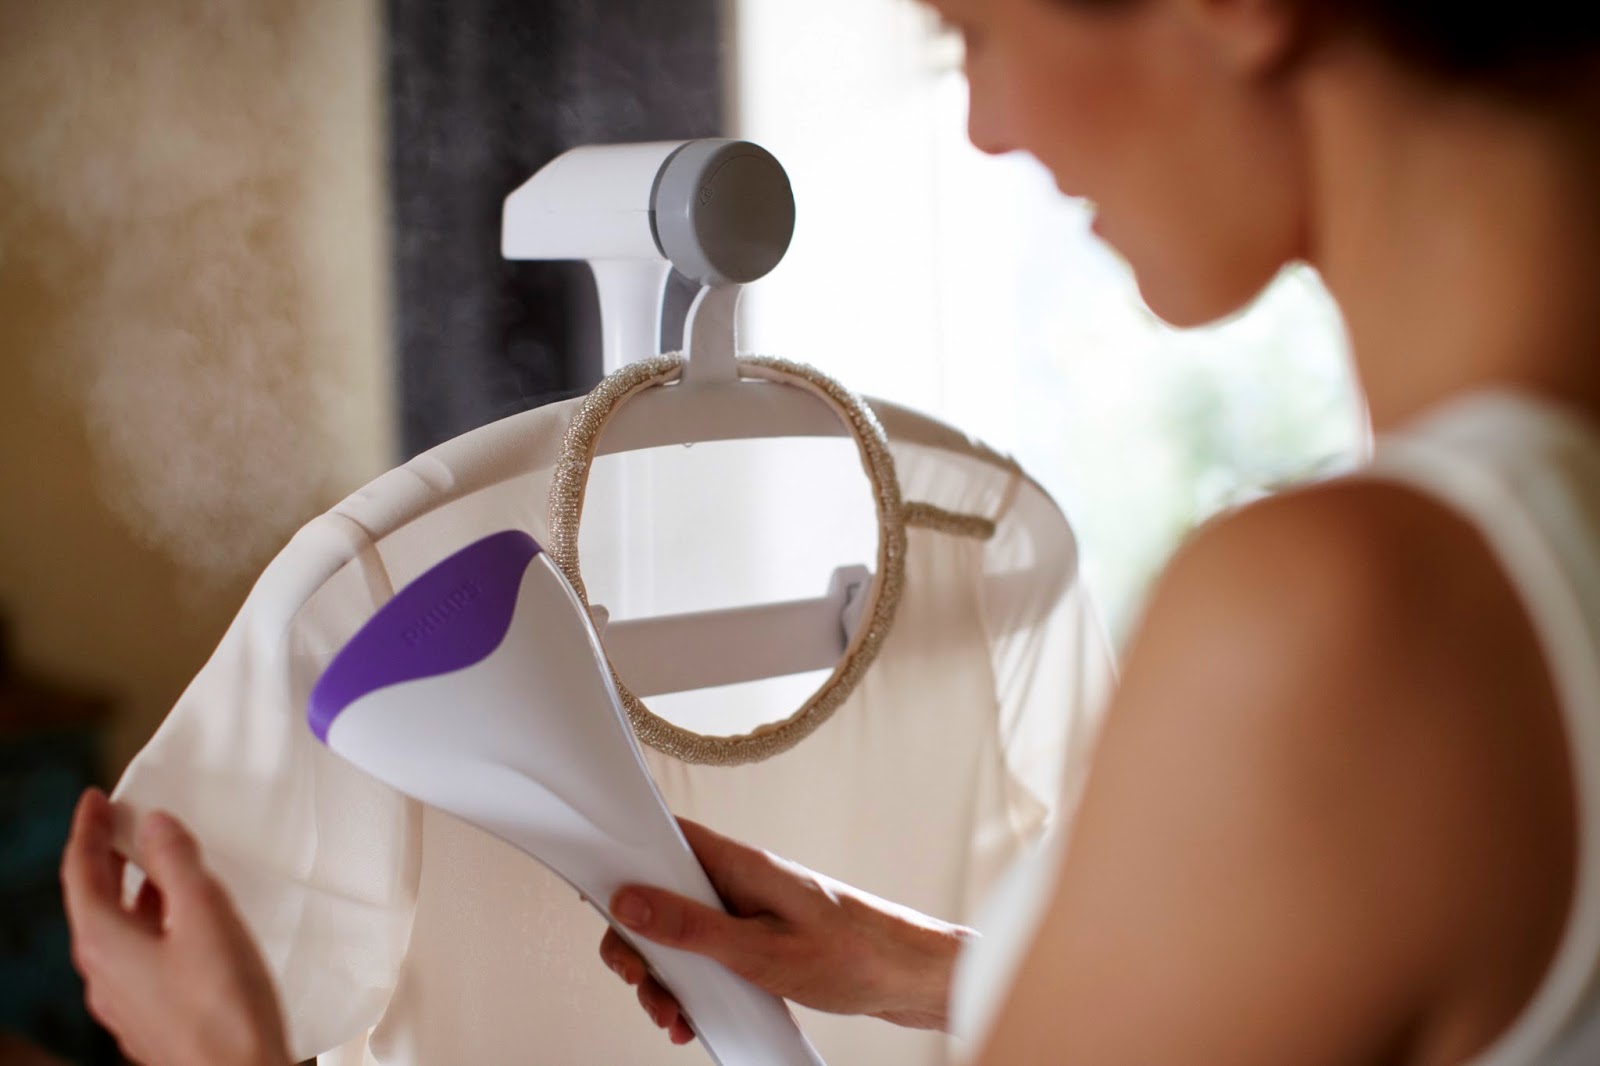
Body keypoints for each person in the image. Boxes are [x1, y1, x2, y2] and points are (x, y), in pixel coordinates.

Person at [61, 0, 1600, 1061]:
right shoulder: (1527, 546)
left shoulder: (1340, 611)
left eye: (976, 32)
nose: (985, 126)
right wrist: (906, 964)